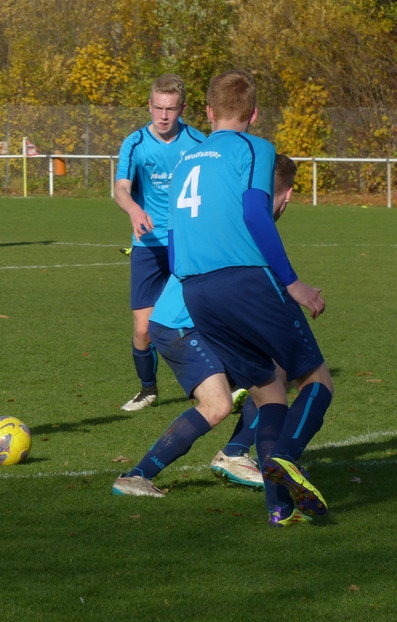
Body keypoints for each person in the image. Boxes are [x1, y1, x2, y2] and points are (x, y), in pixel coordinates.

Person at [169, 71, 333, 527]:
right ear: (254, 114)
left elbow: (174, 239)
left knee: (268, 392)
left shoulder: (184, 160)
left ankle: (279, 510)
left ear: (207, 112)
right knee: (317, 379)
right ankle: (287, 456)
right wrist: (292, 282)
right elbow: (256, 214)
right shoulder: (255, 148)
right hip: (245, 282)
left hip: (195, 291)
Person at [112, 154, 299, 498]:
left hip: (199, 323)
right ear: (287, 195)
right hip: (181, 324)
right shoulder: (248, 229)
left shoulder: (235, 217)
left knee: (274, 370)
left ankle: (235, 454)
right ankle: (138, 475)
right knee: (220, 403)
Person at [114, 74, 206, 412]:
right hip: (148, 244)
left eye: (171, 109)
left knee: (203, 320)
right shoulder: (135, 143)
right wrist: (134, 209)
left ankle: (220, 381)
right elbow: (120, 188)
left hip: (188, 243)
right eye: (158, 108)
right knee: (143, 330)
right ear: (149, 105)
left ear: (182, 108)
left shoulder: (198, 142)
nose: (163, 116)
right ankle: (148, 389)